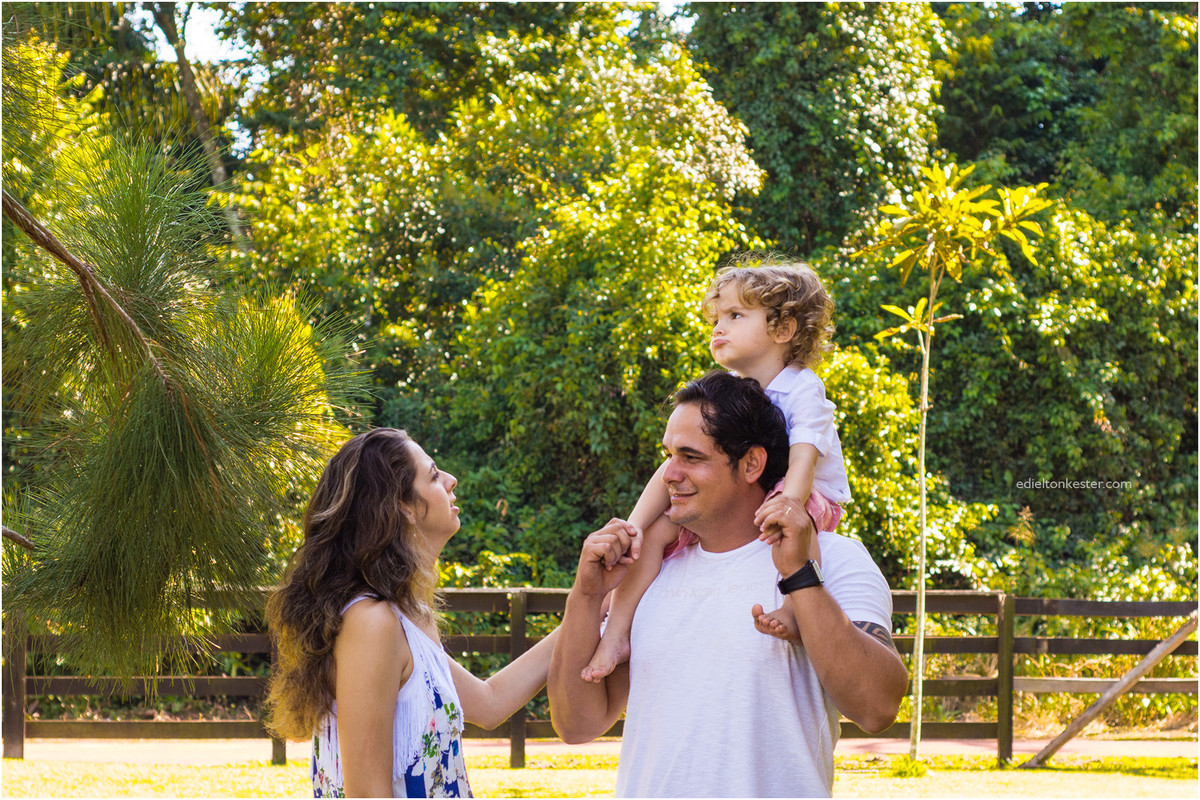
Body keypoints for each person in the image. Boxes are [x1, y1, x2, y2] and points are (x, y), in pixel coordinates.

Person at [548, 371, 907, 798]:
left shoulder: (835, 558)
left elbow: (878, 707)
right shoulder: (652, 570)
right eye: (668, 456)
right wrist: (586, 596)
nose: (668, 475)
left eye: (690, 457)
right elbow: (577, 723)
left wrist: (800, 577)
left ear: (752, 463)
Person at [583, 256, 851, 682]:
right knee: (656, 534)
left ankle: (796, 605)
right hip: (754, 487)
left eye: (736, 315)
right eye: (718, 317)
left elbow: (803, 456)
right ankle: (617, 628)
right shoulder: (726, 391)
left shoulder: (803, 388)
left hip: (805, 491)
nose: (719, 327)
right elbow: (670, 466)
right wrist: (633, 527)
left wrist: (787, 506)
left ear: (783, 330)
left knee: (799, 526)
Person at [264, 427, 559, 798]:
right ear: (402, 505)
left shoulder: (403, 616)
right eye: (434, 475)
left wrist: (591, 603)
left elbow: (489, 703)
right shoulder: (371, 623)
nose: (452, 481)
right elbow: (367, 793)